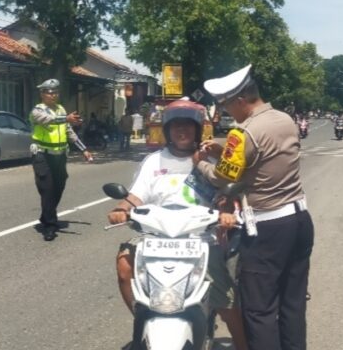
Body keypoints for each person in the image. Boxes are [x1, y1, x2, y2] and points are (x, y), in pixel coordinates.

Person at [106, 100, 247, 350]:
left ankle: (242, 344)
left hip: (201, 238)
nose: (181, 132)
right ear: (168, 131)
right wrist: (122, 209)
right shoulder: (154, 161)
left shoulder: (209, 159)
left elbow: (226, 195)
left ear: (197, 129)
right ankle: (144, 317)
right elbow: (136, 195)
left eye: (187, 127)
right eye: (176, 127)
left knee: (224, 299)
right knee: (124, 265)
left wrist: (226, 213)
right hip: (156, 235)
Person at [193, 64, 314, 350]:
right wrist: (222, 151)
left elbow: (223, 176)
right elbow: (261, 161)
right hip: (298, 221)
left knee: (258, 310)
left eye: (225, 105)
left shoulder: (242, 133)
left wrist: (198, 163)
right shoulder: (285, 119)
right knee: (292, 304)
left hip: (267, 230)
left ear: (240, 100)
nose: (224, 112)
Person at [29, 79, 92, 241]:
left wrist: (84, 149)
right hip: (43, 155)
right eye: (50, 92)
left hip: (60, 156)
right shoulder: (37, 111)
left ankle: (46, 215)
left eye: (56, 92)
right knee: (47, 188)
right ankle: (50, 225)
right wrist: (66, 119)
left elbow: (69, 131)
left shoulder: (61, 109)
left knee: (59, 186)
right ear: (42, 94)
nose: (53, 95)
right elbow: (49, 120)